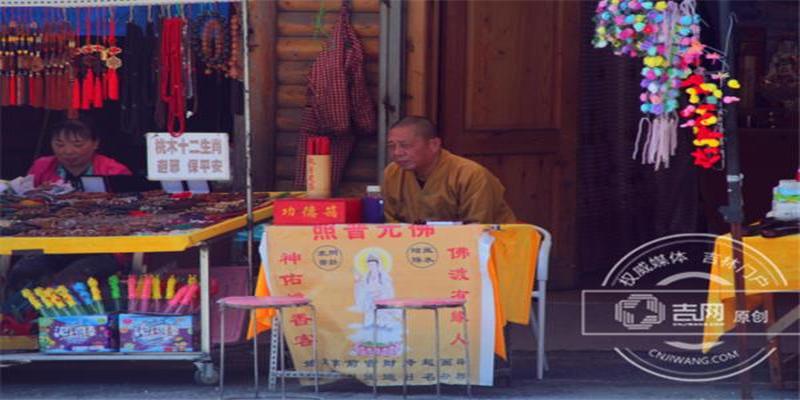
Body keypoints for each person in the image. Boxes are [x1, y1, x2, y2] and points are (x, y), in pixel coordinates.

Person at [383, 116, 517, 224]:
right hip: (418, 248)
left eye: (405, 145)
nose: (397, 153)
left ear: (434, 145)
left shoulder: (470, 174)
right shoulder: (393, 172)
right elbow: (389, 221)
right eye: (391, 146)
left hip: (484, 248)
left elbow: (478, 227)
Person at [27, 119, 131, 188]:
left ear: (95, 143)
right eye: (60, 145)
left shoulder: (114, 171)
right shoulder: (42, 166)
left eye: (78, 145)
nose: (68, 151)